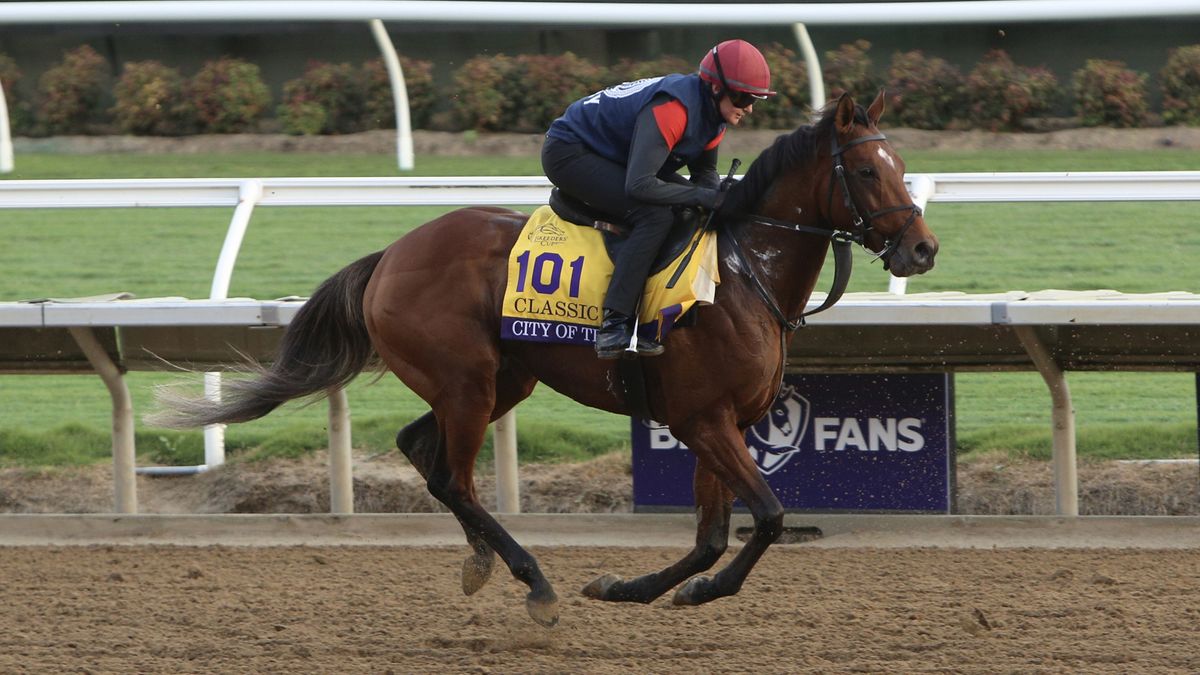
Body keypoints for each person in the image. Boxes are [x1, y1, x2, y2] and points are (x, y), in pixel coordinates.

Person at [542, 39, 776, 359]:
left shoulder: (714, 115)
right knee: (655, 215)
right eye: (744, 97)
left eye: (754, 99)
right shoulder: (674, 109)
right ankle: (615, 323)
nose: (748, 107)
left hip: (618, 154)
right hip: (570, 152)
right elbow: (640, 186)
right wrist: (705, 197)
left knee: (693, 208)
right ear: (716, 89)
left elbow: (705, 175)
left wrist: (716, 199)